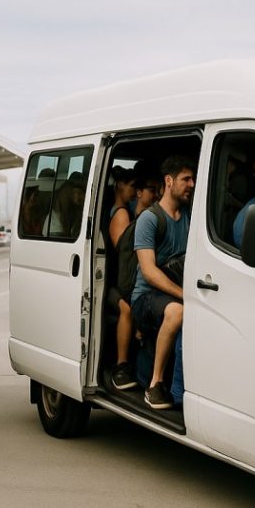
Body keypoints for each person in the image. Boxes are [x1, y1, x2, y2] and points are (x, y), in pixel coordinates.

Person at [132, 155, 195, 410]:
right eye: (185, 179)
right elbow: (148, 272)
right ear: (168, 181)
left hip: (173, 292)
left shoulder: (190, 217)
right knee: (177, 311)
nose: (191, 184)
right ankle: (155, 384)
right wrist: (183, 294)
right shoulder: (150, 219)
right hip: (145, 297)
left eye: (193, 179)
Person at [106, 166, 141, 390]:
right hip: (115, 282)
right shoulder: (121, 213)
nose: (134, 191)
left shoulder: (125, 210)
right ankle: (121, 364)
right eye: (132, 186)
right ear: (119, 185)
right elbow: (125, 252)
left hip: (120, 279)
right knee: (127, 308)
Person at [44, 172, 85, 237]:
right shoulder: (54, 221)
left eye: (80, 193)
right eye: (73, 194)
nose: (76, 198)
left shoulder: (75, 214)